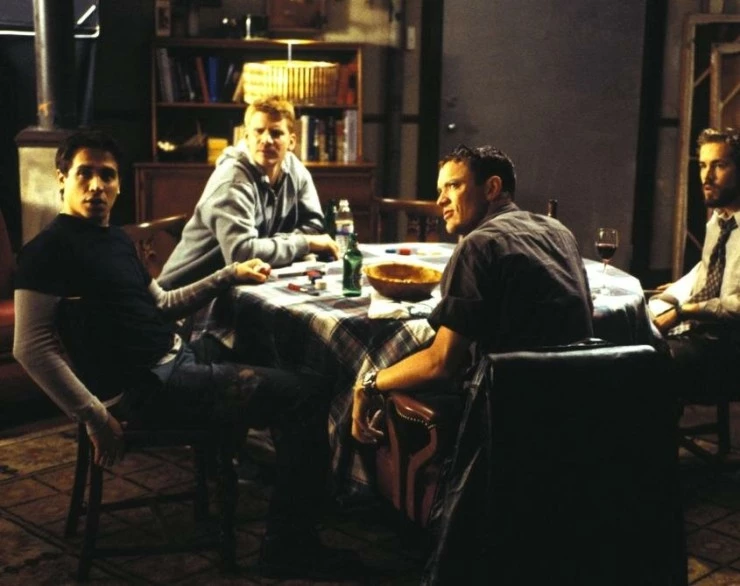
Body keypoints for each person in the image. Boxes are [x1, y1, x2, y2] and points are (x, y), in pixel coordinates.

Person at [12, 129, 358, 580]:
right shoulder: (46, 251)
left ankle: (284, 481)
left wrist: (229, 274)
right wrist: (94, 418)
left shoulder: (114, 239)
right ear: (62, 179)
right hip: (146, 388)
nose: (96, 186)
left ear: (118, 184)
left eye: (107, 175)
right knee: (304, 395)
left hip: (177, 358)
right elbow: (31, 347)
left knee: (266, 344)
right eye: (85, 174)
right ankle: (289, 545)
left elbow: (163, 304)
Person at [351, 144, 594, 444]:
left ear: (492, 188)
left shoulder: (478, 245)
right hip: (577, 411)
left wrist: (369, 383)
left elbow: (440, 364)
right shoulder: (560, 232)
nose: (441, 200)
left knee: (380, 400)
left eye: (453, 186)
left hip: (507, 421)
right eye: (440, 190)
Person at [158, 95, 339, 289]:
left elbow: (314, 225)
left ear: (292, 142)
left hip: (235, 287)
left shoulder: (295, 169)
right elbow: (242, 255)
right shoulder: (232, 179)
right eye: (258, 131)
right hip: (186, 294)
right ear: (246, 137)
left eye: (276, 133)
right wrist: (303, 243)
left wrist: (277, 245)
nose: (266, 140)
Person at [649, 127, 740, 390]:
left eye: (719, 165)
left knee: (644, 364)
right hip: (706, 335)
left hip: (731, 349)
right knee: (630, 345)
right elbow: (708, 267)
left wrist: (682, 311)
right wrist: (676, 293)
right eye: (702, 165)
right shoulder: (718, 221)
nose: (707, 177)